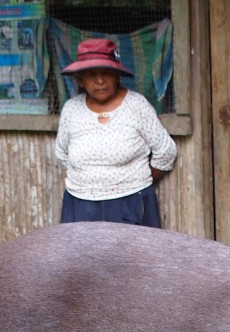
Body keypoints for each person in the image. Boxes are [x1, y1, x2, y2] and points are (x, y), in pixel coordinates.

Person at [55, 38, 177, 227]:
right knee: (82, 257)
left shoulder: (136, 105)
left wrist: (132, 182)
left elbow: (166, 152)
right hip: (80, 205)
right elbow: (62, 154)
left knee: (132, 257)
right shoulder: (72, 109)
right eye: (91, 74)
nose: (100, 81)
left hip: (130, 204)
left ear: (117, 75)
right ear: (80, 79)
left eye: (107, 73)